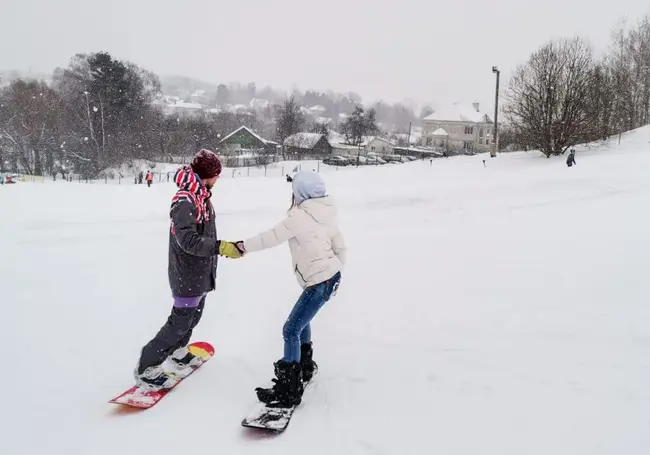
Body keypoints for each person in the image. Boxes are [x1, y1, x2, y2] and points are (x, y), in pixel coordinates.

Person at [134, 149, 244, 390]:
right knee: (180, 322)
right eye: (216, 174)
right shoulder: (185, 200)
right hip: (187, 273)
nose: (218, 179)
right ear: (207, 175)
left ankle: (178, 351)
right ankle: (147, 366)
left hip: (200, 272)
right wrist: (220, 247)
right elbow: (188, 241)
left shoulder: (201, 196)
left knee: (193, 317)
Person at [238, 171, 347, 408]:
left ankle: (289, 388)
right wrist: (335, 270)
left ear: (301, 193)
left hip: (320, 281)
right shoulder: (326, 211)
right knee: (302, 322)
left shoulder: (299, 217)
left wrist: (242, 246)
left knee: (291, 329)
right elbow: (341, 246)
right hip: (328, 277)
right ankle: (304, 366)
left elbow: (270, 237)